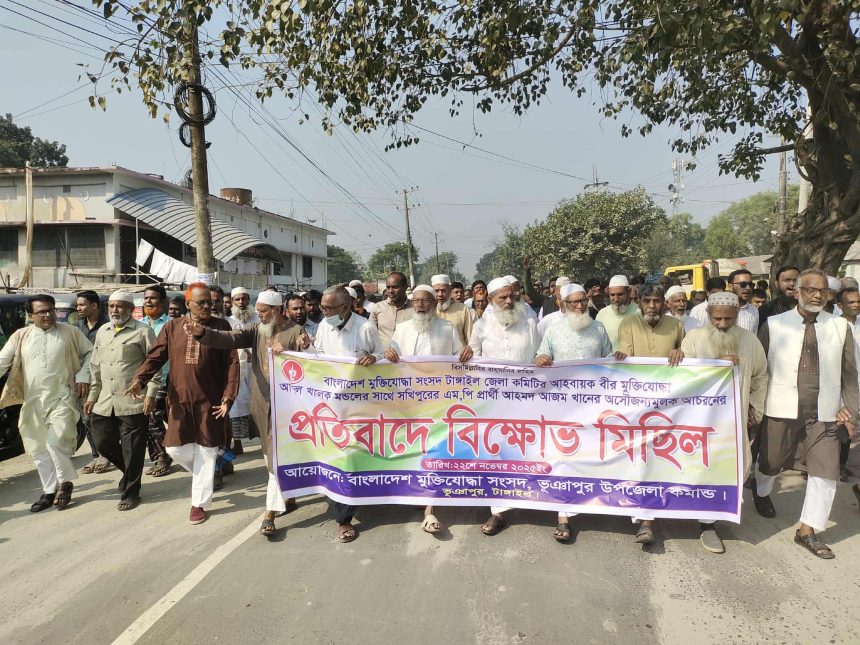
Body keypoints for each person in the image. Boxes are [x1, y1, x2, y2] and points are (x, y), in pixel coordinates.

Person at [753, 269, 858, 559]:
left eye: (823, 291)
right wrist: (755, 407)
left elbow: (850, 374)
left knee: (826, 471)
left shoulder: (839, 326)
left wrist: (851, 412)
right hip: (780, 408)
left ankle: (807, 530)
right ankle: (761, 492)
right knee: (771, 462)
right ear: (797, 291)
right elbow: (759, 371)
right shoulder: (775, 324)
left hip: (825, 412)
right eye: (811, 289)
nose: (817, 295)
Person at [191, 290, 310, 536]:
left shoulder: (296, 331)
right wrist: (203, 333)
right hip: (262, 404)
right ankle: (287, 496)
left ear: (276, 310)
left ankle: (270, 513)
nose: (259, 315)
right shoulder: (256, 330)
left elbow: (309, 362)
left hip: (289, 407)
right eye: (258, 311)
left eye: (263, 311)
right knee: (270, 457)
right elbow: (230, 338)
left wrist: (294, 349)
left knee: (275, 460)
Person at [128, 283, 239, 525]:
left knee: (206, 450)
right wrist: (139, 379)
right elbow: (155, 356)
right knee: (174, 450)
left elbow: (232, 363)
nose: (208, 306)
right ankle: (208, 471)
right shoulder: (172, 327)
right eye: (202, 302)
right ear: (188, 304)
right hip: (179, 400)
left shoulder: (221, 326)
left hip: (210, 400)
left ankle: (199, 503)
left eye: (210, 302)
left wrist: (228, 396)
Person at [534, 283, 626, 542]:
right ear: (563, 305)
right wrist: (541, 359)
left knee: (592, 456)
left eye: (583, 300)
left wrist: (618, 357)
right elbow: (541, 356)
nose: (580, 305)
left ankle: (597, 502)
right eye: (574, 302)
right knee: (563, 458)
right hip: (563, 407)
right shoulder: (553, 330)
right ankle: (563, 517)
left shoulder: (598, 328)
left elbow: (608, 359)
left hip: (594, 406)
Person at [680, 291, 768, 553]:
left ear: (737, 315)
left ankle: (711, 520)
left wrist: (755, 409)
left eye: (728, 319)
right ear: (708, 314)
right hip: (700, 421)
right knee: (698, 467)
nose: (722, 324)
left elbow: (760, 376)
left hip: (735, 419)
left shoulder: (750, 341)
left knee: (731, 468)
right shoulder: (694, 338)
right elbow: (683, 376)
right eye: (717, 318)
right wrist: (715, 364)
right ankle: (702, 520)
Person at [384, 284, 472, 534]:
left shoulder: (447, 328)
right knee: (413, 449)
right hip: (408, 402)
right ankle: (417, 493)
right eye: (416, 301)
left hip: (439, 402)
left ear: (434, 304)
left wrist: (466, 353)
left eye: (425, 301)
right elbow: (389, 357)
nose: (420, 305)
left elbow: (459, 359)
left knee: (434, 450)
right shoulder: (402, 329)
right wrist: (389, 354)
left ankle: (430, 509)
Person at [0, 295, 92, 512]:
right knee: (38, 448)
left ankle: (65, 483)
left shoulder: (70, 332)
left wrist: (83, 376)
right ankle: (49, 491)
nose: (48, 314)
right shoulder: (21, 336)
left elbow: (90, 353)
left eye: (51, 310)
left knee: (56, 442)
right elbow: (2, 361)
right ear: (30, 315)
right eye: (42, 311)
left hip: (63, 397)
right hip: (32, 400)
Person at [468, 277, 541, 536]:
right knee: (497, 454)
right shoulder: (481, 326)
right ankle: (498, 511)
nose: (509, 301)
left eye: (512, 296)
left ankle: (540, 500)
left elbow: (541, 354)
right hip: (494, 402)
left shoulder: (530, 323)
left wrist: (543, 359)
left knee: (532, 451)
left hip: (529, 399)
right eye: (503, 297)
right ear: (491, 300)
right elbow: (473, 360)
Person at [313, 286, 383, 542]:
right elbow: (316, 358)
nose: (324, 312)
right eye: (322, 307)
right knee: (338, 458)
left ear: (344, 307)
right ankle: (344, 517)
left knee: (354, 456)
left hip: (360, 406)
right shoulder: (324, 326)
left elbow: (384, 356)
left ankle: (352, 508)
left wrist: (374, 358)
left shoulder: (365, 328)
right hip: (330, 405)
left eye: (328, 308)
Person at [617, 284, 685, 545]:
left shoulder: (676, 326)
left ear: (664, 303)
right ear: (639, 302)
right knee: (639, 459)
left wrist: (682, 353)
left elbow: (690, 361)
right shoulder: (628, 324)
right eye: (647, 300)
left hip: (670, 406)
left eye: (657, 300)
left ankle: (653, 513)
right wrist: (620, 358)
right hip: (637, 405)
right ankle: (643, 518)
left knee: (662, 459)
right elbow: (626, 358)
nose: (652, 306)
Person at [85, 290, 159, 511]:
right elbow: (95, 366)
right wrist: (92, 396)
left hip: (133, 401)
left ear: (130, 309)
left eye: (120, 306)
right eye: (111, 306)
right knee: (102, 442)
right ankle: (129, 474)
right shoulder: (103, 331)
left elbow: (155, 365)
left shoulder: (143, 331)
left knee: (133, 449)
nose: (115, 310)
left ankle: (131, 492)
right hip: (105, 401)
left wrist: (151, 394)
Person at [75, 290, 110, 475]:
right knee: (87, 419)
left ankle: (107, 454)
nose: (78, 308)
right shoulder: (77, 326)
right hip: (83, 380)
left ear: (94, 305)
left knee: (104, 419)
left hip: (105, 379)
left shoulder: (108, 325)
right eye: (77, 305)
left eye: (82, 305)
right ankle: (97, 455)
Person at [141, 285, 173, 478]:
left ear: (162, 302)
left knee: (170, 420)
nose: (148, 301)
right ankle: (160, 457)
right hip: (146, 382)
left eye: (152, 298)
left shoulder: (172, 325)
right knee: (151, 420)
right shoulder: (139, 325)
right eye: (146, 298)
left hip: (168, 379)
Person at [226, 287, 258, 459]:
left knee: (258, 403)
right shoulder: (228, 321)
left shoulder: (258, 318)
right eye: (237, 299)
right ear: (232, 302)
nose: (241, 302)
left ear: (248, 300)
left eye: (244, 299)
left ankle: (263, 440)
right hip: (238, 368)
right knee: (236, 406)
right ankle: (237, 442)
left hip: (257, 368)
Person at [838, 286, 860, 482]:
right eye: (851, 302)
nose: (856, 305)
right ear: (840, 305)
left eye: (858, 301)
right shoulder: (835, 327)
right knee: (844, 427)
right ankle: (840, 466)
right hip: (845, 386)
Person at [595, 275, 639, 350]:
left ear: (629, 292)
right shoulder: (602, 314)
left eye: (620, 294)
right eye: (612, 295)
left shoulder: (640, 311)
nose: (616, 299)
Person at [371, 272, 413, 348]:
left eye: (395, 287)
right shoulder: (377, 307)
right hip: (382, 354)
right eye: (388, 287)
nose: (391, 291)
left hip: (407, 354)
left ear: (405, 287)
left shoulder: (415, 309)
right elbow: (370, 333)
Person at [433, 274, 474, 346]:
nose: (440, 294)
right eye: (436, 291)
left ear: (449, 290)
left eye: (443, 290)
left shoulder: (463, 309)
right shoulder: (429, 310)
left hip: (460, 352)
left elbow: (470, 338)